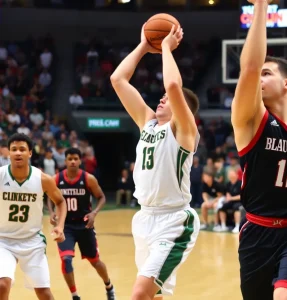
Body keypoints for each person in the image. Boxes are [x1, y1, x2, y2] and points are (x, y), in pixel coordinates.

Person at [111, 24, 200, 300]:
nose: (163, 98)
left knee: (139, 293)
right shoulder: (148, 123)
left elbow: (173, 85)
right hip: (144, 218)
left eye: (169, 100)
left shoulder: (184, 131)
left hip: (174, 220)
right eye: (161, 97)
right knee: (155, 295)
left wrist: (164, 46)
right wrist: (143, 46)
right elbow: (118, 80)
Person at [232, 0, 287, 299]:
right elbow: (248, 68)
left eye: (267, 74)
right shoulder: (250, 120)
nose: (258, 79)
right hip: (257, 232)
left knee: (286, 296)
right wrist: (260, 5)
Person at [0, 133, 67, 300]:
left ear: (30, 153)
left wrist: (59, 226)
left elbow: (60, 202)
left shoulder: (43, 179)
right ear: (8, 152)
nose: (17, 153)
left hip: (32, 241)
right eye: (13, 149)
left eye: (22, 149)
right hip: (3, 240)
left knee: (44, 293)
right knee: (2, 285)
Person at [47, 147, 115, 300]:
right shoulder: (56, 179)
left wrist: (94, 213)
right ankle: (75, 295)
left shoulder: (88, 178)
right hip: (66, 227)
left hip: (85, 226)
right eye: (69, 159)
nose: (72, 161)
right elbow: (49, 196)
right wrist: (52, 212)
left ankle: (109, 286)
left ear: (80, 161)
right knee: (66, 259)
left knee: (95, 261)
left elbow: (101, 197)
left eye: (75, 159)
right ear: (65, 161)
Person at [199, 167, 225, 231]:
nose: (204, 178)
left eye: (205, 176)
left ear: (210, 177)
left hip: (221, 199)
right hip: (212, 199)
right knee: (203, 205)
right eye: (204, 176)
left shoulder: (217, 184)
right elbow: (204, 194)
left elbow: (220, 197)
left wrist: (212, 202)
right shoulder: (204, 184)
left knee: (215, 205)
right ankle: (205, 224)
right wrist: (207, 201)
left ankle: (216, 224)